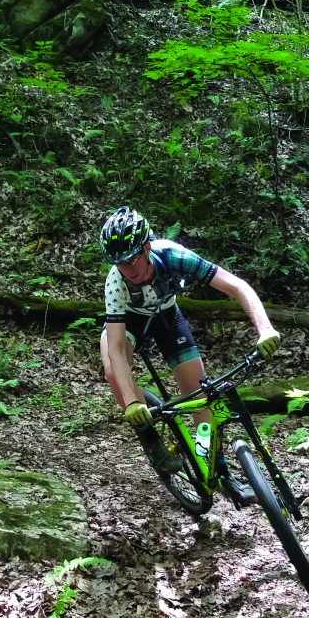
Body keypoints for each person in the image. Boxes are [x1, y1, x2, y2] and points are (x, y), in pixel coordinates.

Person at [98, 205, 281, 480]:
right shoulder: (116, 281)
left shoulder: (172, 255)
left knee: (199, 394)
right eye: (119, 262)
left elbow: (236, 286)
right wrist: (133, 403)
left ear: (146, 248)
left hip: (167, 316)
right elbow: (114, 347)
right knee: (112, 369)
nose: (126, 269)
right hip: (130, 321)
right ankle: (150, 439)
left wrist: (265, 329)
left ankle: (209, 457)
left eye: (131, 259)